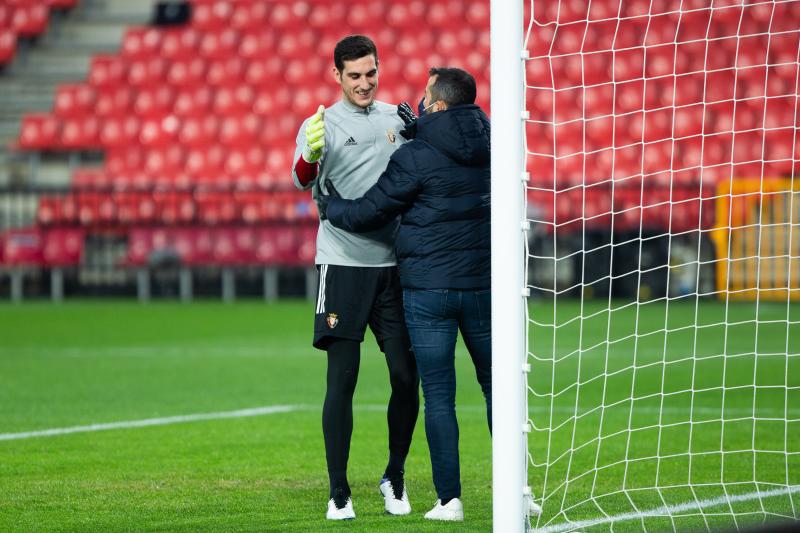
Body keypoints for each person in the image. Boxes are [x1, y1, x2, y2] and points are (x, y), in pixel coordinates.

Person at [318, 67, 491, 522]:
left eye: (427, 96)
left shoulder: (415, 155)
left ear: (438, 104)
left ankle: (449, 499)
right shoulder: (494, 143)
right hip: (482, 286)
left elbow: (371, 211)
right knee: (498, 389)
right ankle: (518, 489)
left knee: (437, 393)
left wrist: (331, 205)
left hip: (427, 289)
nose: (421, 101)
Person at [291, 35, 419, 521]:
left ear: (378, 69)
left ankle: (395, 476)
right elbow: (301, 179)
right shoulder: (319, 124)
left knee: (407, 377)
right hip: (342, 265)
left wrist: (424, 130)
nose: (364, 83)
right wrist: (311, 155)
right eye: (354, 76)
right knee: (342, 380)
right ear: (336, 76)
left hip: (394, 267)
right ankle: (339, 491)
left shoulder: (396, 120)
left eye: (370, 73)